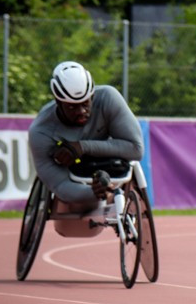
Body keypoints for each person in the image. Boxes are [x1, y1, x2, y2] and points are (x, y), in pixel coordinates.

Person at [27, 61, 144, 215]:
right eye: (72, 107)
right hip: (73, 174)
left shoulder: (108, 98)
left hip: (107, 161)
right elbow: (60, 185)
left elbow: (136, 150)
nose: (81, 111)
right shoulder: (41, 131)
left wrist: (82, 147)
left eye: (85, 103)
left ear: (92, 95)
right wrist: (94, 193)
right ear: (58, 102)